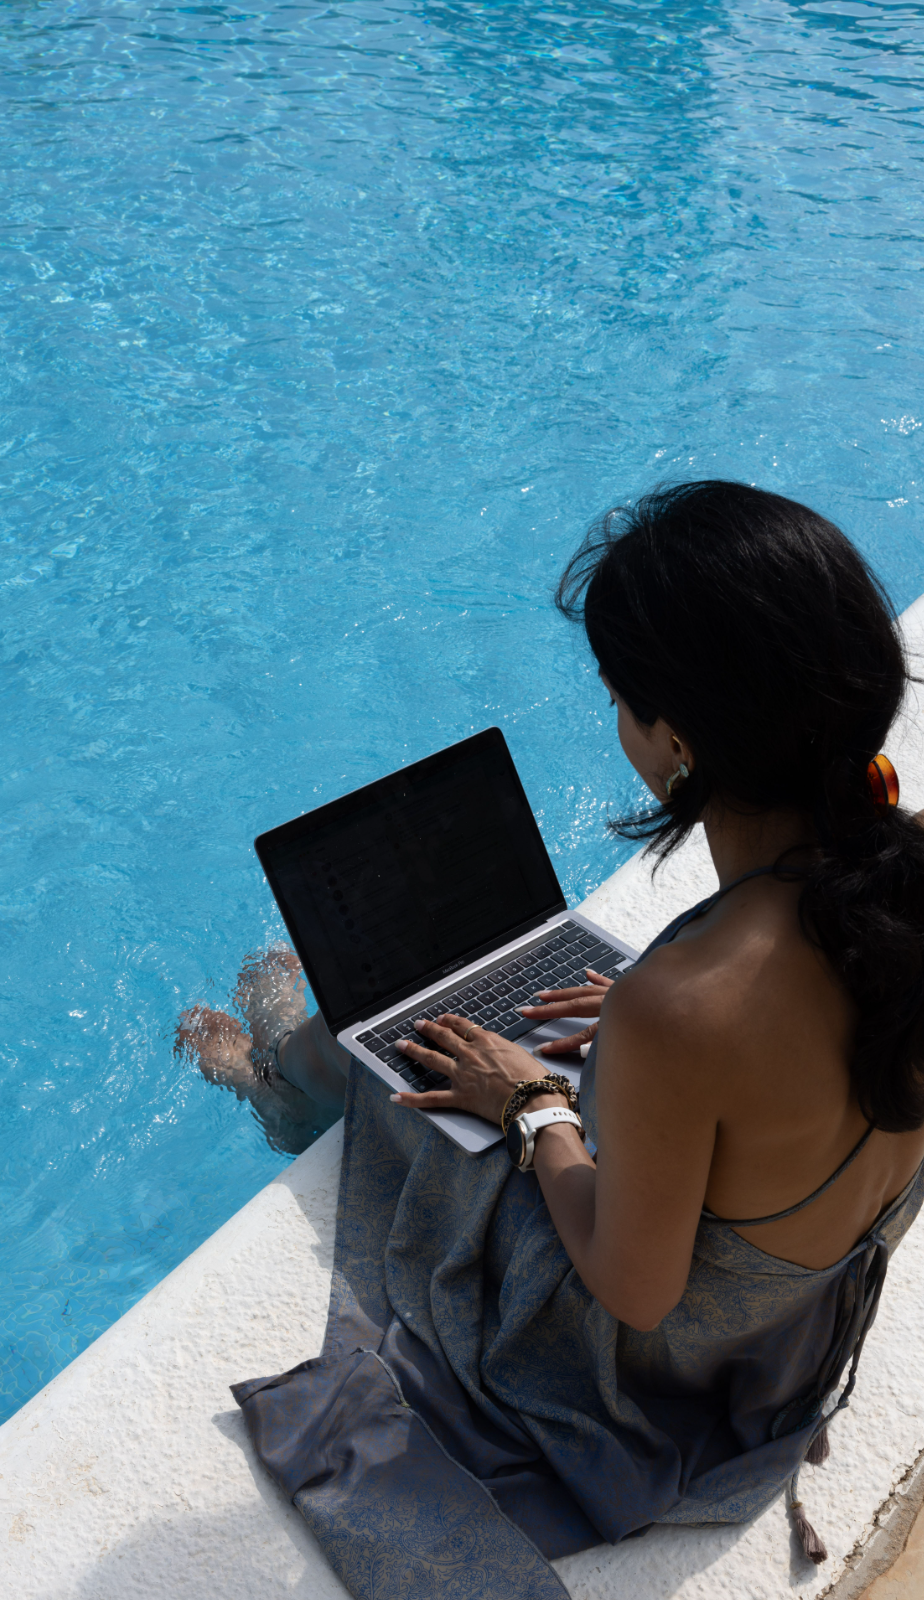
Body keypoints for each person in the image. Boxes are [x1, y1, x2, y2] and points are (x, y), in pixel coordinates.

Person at [184, 482, 924, 1600]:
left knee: (416, 1065)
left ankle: (283, 1079)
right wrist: (659, 1040)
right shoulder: (885, 890)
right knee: (473, 1042)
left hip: (661, 1371)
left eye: (620, 701)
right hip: (797, 1322)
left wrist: (533, 1107)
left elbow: (634, 1290)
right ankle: (302, 1052)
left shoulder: (682, 1009)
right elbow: (802, 1052)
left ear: (677, 740)